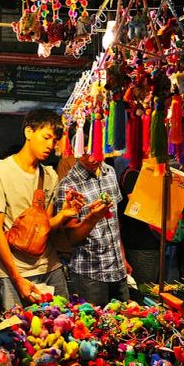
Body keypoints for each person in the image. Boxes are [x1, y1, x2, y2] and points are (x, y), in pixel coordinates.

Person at [0, 109, 80, 310]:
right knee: (19, 333)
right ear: (28, 132)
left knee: (62, 326)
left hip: (50, 267)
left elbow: (45, 227)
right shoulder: (1, 172)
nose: (50, 145)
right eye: (46, 137)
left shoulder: (50, 176)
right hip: (14, 272)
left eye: (54, 141)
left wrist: (63, 215)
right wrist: (17, 278)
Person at [55, 131, 132, 305]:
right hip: (90, 274)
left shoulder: (110, 172)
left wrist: (123, 256)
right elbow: (71, 237)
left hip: (117, 268)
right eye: (84, 154)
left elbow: (114, 221)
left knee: (126, 323)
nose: (91, 159)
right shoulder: (68, 185)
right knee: (93, 328)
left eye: (95, 151)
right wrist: (92, 218)